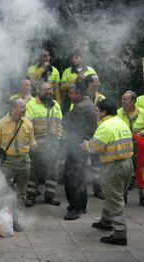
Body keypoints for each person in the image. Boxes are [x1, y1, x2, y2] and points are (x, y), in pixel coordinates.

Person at [81, 99, 133, 246]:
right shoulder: (121, 122)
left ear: (104, 112)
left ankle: (120, 234)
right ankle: (106, 221)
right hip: (127, 164)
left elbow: (94, 147)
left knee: (115, 199)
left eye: (97, 110)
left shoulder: (105, 126)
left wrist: (86, 144)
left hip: (114, 166)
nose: (96, 112)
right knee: (115, 195)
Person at [0, 98, 37, 231]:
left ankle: (15, 220)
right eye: (22, 107)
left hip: (24, 162)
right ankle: (0, 221)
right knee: (2, 192)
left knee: (21, 194)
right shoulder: (1, 124)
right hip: (8, 163)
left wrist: (34, 145)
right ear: (13, 109)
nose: (25, 109)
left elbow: (31, 140)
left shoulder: (28, 123)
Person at [62, 82, 97, 220]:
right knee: (80, 176)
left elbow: (65, 121)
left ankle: (75, 208)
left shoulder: (82, 107)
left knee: (72, 177)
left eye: (71, 93)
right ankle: (82, 206)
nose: (69, 95)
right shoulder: (88, 104)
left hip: (77, 146)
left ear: (80, 93)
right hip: (83, 145)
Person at [25, 82, 62, 207]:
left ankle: (49, 196)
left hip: (52, 146)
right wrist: (32, 142)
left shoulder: (55, 105)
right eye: (46, 89)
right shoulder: (31, 105)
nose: (49, 92)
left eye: (50, 89)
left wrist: (58, 139)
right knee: (33, 172)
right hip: (36, 146)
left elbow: (59, 124)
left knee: (53, 171)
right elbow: (27, 127)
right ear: (38, 91)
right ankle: (30, 196)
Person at [117, 90, 144, 201]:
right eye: (122, 99)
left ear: (133, 101)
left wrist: (141, 133)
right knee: (124, 172)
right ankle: (123, 196)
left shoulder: (142, 112)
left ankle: (142, 195)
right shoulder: (118, 113)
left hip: (140, 148)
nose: (123, 102)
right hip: (124, 147)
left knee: (142, 170)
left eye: (126, 99)